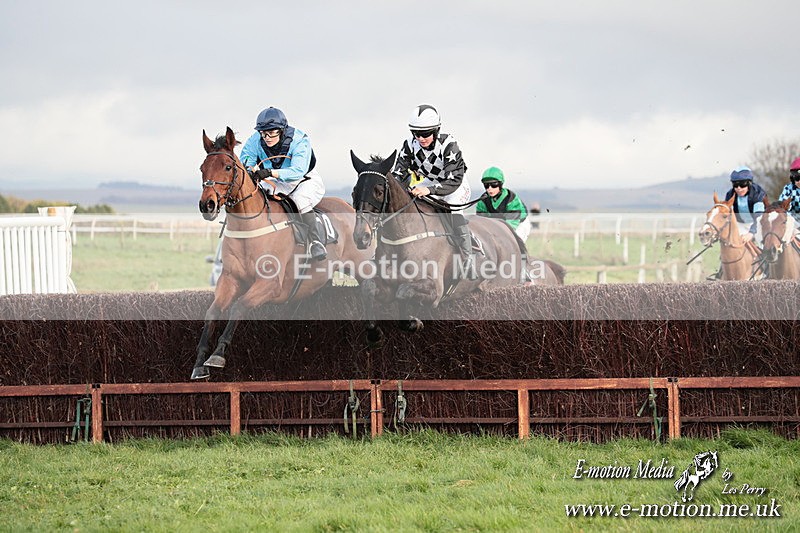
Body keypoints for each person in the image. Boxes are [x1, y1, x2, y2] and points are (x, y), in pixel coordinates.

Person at [391, 104, 476, 279]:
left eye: (425, 134)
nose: (420, 138)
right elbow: (398, 174)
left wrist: (427, 190)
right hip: (430, 181)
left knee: (453, 209)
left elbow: (453, 180)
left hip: (454, 184)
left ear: (436, 131)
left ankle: (468, 260)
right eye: (416, 133)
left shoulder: (449, 145)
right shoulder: (408, 145)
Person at [239, 107, 327, 261]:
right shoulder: (255, 140)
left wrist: (270, 172)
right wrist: (250, 170)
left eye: (271, 132)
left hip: (304, 180)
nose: (266, 137)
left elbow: (298, 170)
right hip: (276, 182)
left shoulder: (300, 140)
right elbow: (246, 162)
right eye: (263, 132)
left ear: (282, 130)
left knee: (299, 201)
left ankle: (315, 241)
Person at [475, 166, 530, 243]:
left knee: (513, 244)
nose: (490, 188)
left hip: (518, 224)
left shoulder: (511, 198)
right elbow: (482, 223)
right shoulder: (482, 201)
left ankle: (522, 255)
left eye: (494, 184)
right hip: (499, 226)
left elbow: (512, 224)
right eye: (486, 185)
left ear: (501, 184)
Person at [723, 166, 766, 242]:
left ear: (749, 183)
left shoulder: (758, 193)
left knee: (762, 244)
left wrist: (751, 233)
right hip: (740, 224)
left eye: (742, 184)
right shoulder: (730, 194)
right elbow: (727, 215)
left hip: (758, 224)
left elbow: (758, 217)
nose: (739, 188)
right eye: (735, 185)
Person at [777, 156, 800, 224]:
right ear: (792, 179)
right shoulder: (789, 188)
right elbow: (782, 206)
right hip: (794, 222)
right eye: (797, 178)